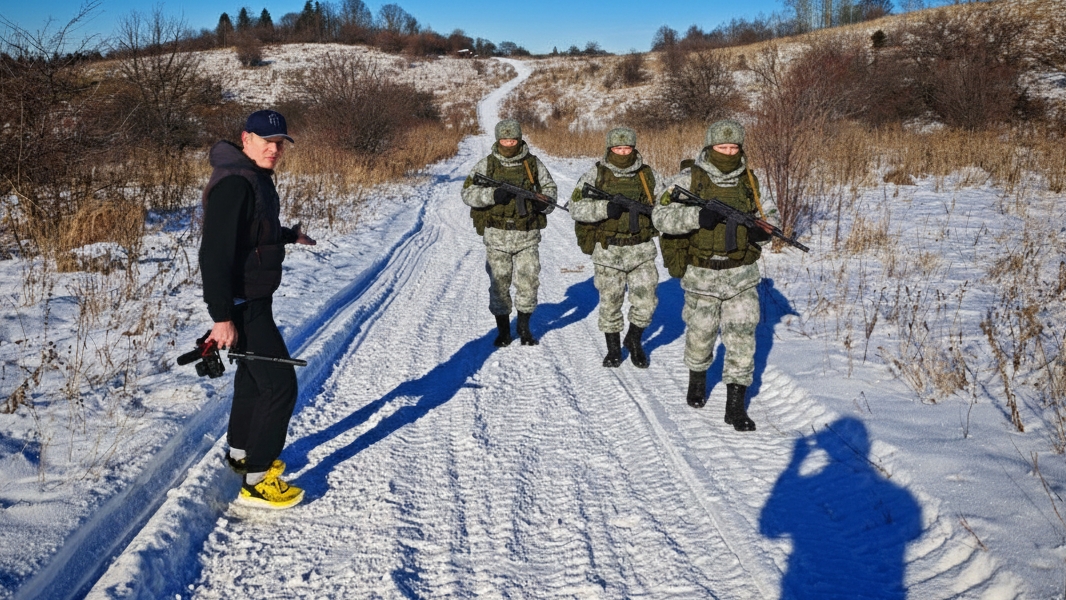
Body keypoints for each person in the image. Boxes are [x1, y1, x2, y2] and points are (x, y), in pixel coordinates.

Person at [199, 109, 316, 509]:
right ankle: (258, 480)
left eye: (280, 142)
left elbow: (253, 231)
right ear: (245, 138)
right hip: (240, 302)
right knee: (280, 385)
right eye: (266, 141)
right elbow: (214, 254)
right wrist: (221, 317)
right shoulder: (235, 183)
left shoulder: (252, 178)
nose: (274, 149)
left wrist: (288, 236)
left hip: (252, 299)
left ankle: (240, 452)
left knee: (252, 377)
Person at [653, 119, 778, 431]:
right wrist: (696, 216)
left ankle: (735, 406)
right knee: (700, 334)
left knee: (742, 338)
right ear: (710, 147)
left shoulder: (750, 179)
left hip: (742, 275)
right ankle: (697, 379)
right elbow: (660, 215)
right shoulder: (688, 178)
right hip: (702, 274)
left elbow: (770, 216)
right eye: (723, 147)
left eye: (734, 147)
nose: (729, 152)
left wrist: (764, 232)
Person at [569, 127, 663, 368]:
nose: (623, 152)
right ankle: (613, 350)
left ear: (634, 148)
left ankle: (633, 340)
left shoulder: (648, 175)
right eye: (618, 148)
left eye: (627, 148)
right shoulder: (596, 174)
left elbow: (666, 207)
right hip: (608, 251)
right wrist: (603, 209)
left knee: (647, 303)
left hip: (641, 250)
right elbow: (575, 207)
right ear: (609, 149)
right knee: (611, 302)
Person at [462, 119, 558, 347]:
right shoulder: (486, 165)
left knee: (529, 282)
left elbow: (550, 191)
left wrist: (542, 204)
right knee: (499, 284)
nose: (509, 143)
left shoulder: (533, 165)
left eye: (512, 140)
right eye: (504, 140)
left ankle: (524, 328)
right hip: (496, 236)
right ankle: (503, 331)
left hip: (527, 236)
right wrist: (492, 196)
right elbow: (467, 193)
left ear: (519, 139)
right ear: (498, 140)